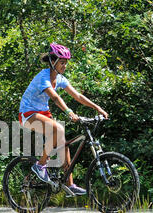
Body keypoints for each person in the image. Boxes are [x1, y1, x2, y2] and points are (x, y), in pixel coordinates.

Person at [18, 43, 109, 196]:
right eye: (62, 62)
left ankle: (70, 184)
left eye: (66, 62)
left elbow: (78, 96)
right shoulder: (43, 77)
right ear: (53, 62)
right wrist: (68, 111)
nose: (64, 65)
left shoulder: (59, 78)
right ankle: (40, 166)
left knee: (63, 144)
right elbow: (54, 97)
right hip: (27, 114)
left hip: (43, 113)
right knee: (58, 129)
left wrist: (97, 107)